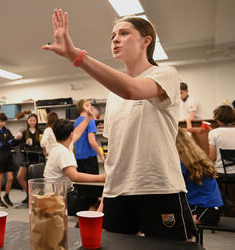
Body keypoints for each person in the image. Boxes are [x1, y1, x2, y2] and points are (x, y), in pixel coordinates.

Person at [43, 10, 195, 240]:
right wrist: (106, 197)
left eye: (124, 33)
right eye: (113, 35)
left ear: (146, 41)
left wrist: (77, 56)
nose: (115, 39)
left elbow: (133, 90)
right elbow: (114, 152)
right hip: (118, 192)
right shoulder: (113, 95)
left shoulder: (165, 74)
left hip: (159, 187)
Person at [44, 118, 105, 215]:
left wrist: (88, 116)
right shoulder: (62, 152)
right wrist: (102, 177)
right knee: (95, 204)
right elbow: (74, 176)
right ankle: (87, 226)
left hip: (61, 193)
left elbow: (78, 132)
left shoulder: (60, 146)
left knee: (94, 200)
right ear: (70, 135)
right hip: (58, 198)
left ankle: (82, 226)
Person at [176, 128, 223, 225]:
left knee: (168, 221)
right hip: (209, 208)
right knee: (166, 218)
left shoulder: (184, 165)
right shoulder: (197, 158)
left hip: (205, 211)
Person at [0, 112, 20, 208]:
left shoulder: (6, 130)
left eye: (4, 122)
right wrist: (8, 142)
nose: (2, 123)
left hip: (8, 156)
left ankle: (6, 196)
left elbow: (11, 141)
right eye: (0, 121)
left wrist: (17, 138)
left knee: (10, 177)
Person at [16, 114, 44, 205]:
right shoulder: (24, 132)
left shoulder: (40, 132)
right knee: (20, 177)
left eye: (33, 120)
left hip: (37, 158)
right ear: (28, 121)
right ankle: (29, 195)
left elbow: (43, 145)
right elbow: (20, 145)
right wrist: (25, 142)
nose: (32, 122)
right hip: (26, 157)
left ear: (36, 122)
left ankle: (34, 197)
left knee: (35, 179)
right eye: (30, 120)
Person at [208, 105, 235, 175]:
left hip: (221, 172)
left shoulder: (214, 133)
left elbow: (212, 157)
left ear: (217, 118)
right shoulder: (214, 132)